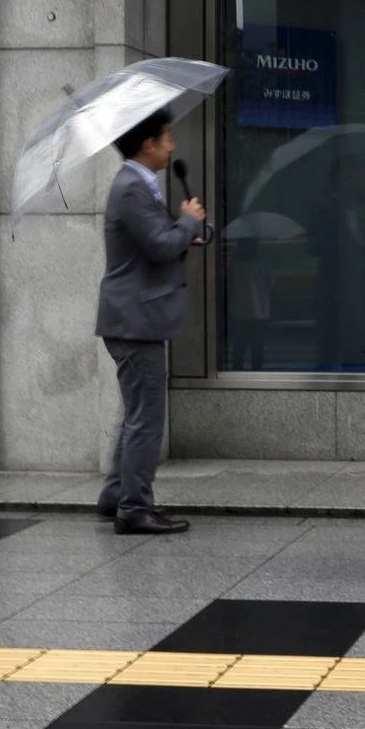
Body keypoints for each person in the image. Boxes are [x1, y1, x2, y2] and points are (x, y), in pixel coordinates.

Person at [95, 108, 206, 535]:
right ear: (148, 144)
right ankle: (134, 508)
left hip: (135, 317)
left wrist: (187, 228)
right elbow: (160, 245)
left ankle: (115, 496)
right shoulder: (130, 189)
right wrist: (186, 222)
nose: (172, 145)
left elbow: (158, 242)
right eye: (167, 138)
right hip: (134, 320)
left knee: (136, 413)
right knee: (147, 418)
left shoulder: (139, 186)